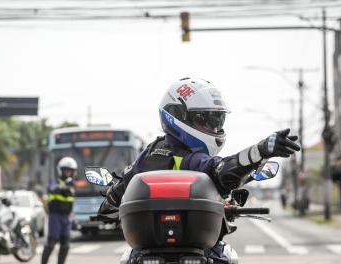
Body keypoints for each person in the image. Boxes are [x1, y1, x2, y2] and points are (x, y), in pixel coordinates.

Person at [98, 77, 301, 263]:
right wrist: (261, 150)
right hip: (198, 249)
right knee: (226, 257)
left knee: (128, 258)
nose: (213, 128)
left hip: (146, 250)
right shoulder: (193, 160)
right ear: (176, 115)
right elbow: (224, 172)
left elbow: (117, 194)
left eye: (216, 121)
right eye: (204, 120)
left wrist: (109, 206)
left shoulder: (148, 154)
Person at [41, 157, 77, 264]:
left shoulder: (72, 186)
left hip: (66, 217)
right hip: (55, 216)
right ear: (60, 171)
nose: (68, 173)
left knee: (65, 245)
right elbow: (51, 189)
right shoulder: (55, 182)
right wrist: (63, 188)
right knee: (51, 242)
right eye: (66, 171)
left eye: (70, 171)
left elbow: (71, 202)